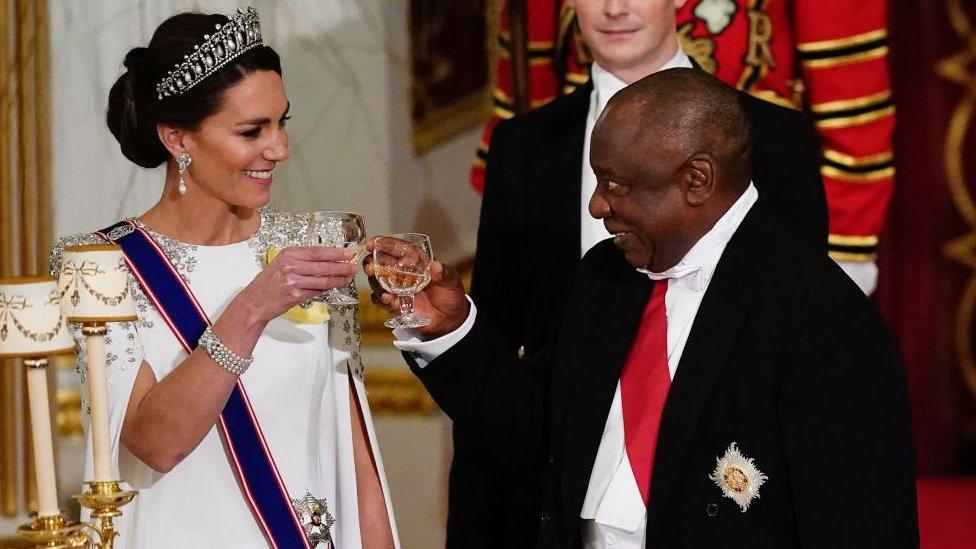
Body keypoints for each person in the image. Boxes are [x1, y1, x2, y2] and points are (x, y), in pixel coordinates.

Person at [374, 69, 917, 547]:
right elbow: (538, 431)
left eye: (616, 186)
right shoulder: (604, 278)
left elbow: (859, 528)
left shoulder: (822, 322)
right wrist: (451, 330)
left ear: (696, 180)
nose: (597, 206)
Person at [459, 1, 826, 546]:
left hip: (721, 495)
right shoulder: (523, 147)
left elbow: (801, 329)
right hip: (562, 500)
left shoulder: (771, 137)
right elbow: (499, 337)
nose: (613, 7)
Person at [50, 9, 397, 548]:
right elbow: (154, 442)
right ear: (178, 139)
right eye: (251, 130)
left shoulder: (312, 242)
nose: (278, 147)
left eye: (283, 121)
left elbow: (356, 457)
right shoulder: (101, 266)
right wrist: (252, 307)